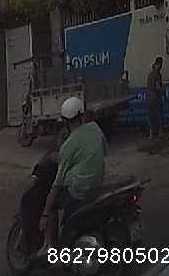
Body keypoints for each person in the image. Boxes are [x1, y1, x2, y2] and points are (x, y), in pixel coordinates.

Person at [40, 96, 106, 253]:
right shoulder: (95, 129)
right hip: (98, 183)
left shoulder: (68, 145)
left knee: (52, 204)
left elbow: (57, 184)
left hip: (78, 191)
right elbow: (105, 151)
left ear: (65, 122)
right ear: (81, 115)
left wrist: (44, 214)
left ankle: (49, 246)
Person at [147, 56, 165, 140]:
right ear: (159, 64)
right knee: (158, 115)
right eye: (161, 64)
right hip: (155, 97)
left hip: (149, 97)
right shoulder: (157, 74)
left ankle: (151, 134)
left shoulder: (150, 74)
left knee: (151, 116)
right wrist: (161, 94)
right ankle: (160, 132)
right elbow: (158, 87)